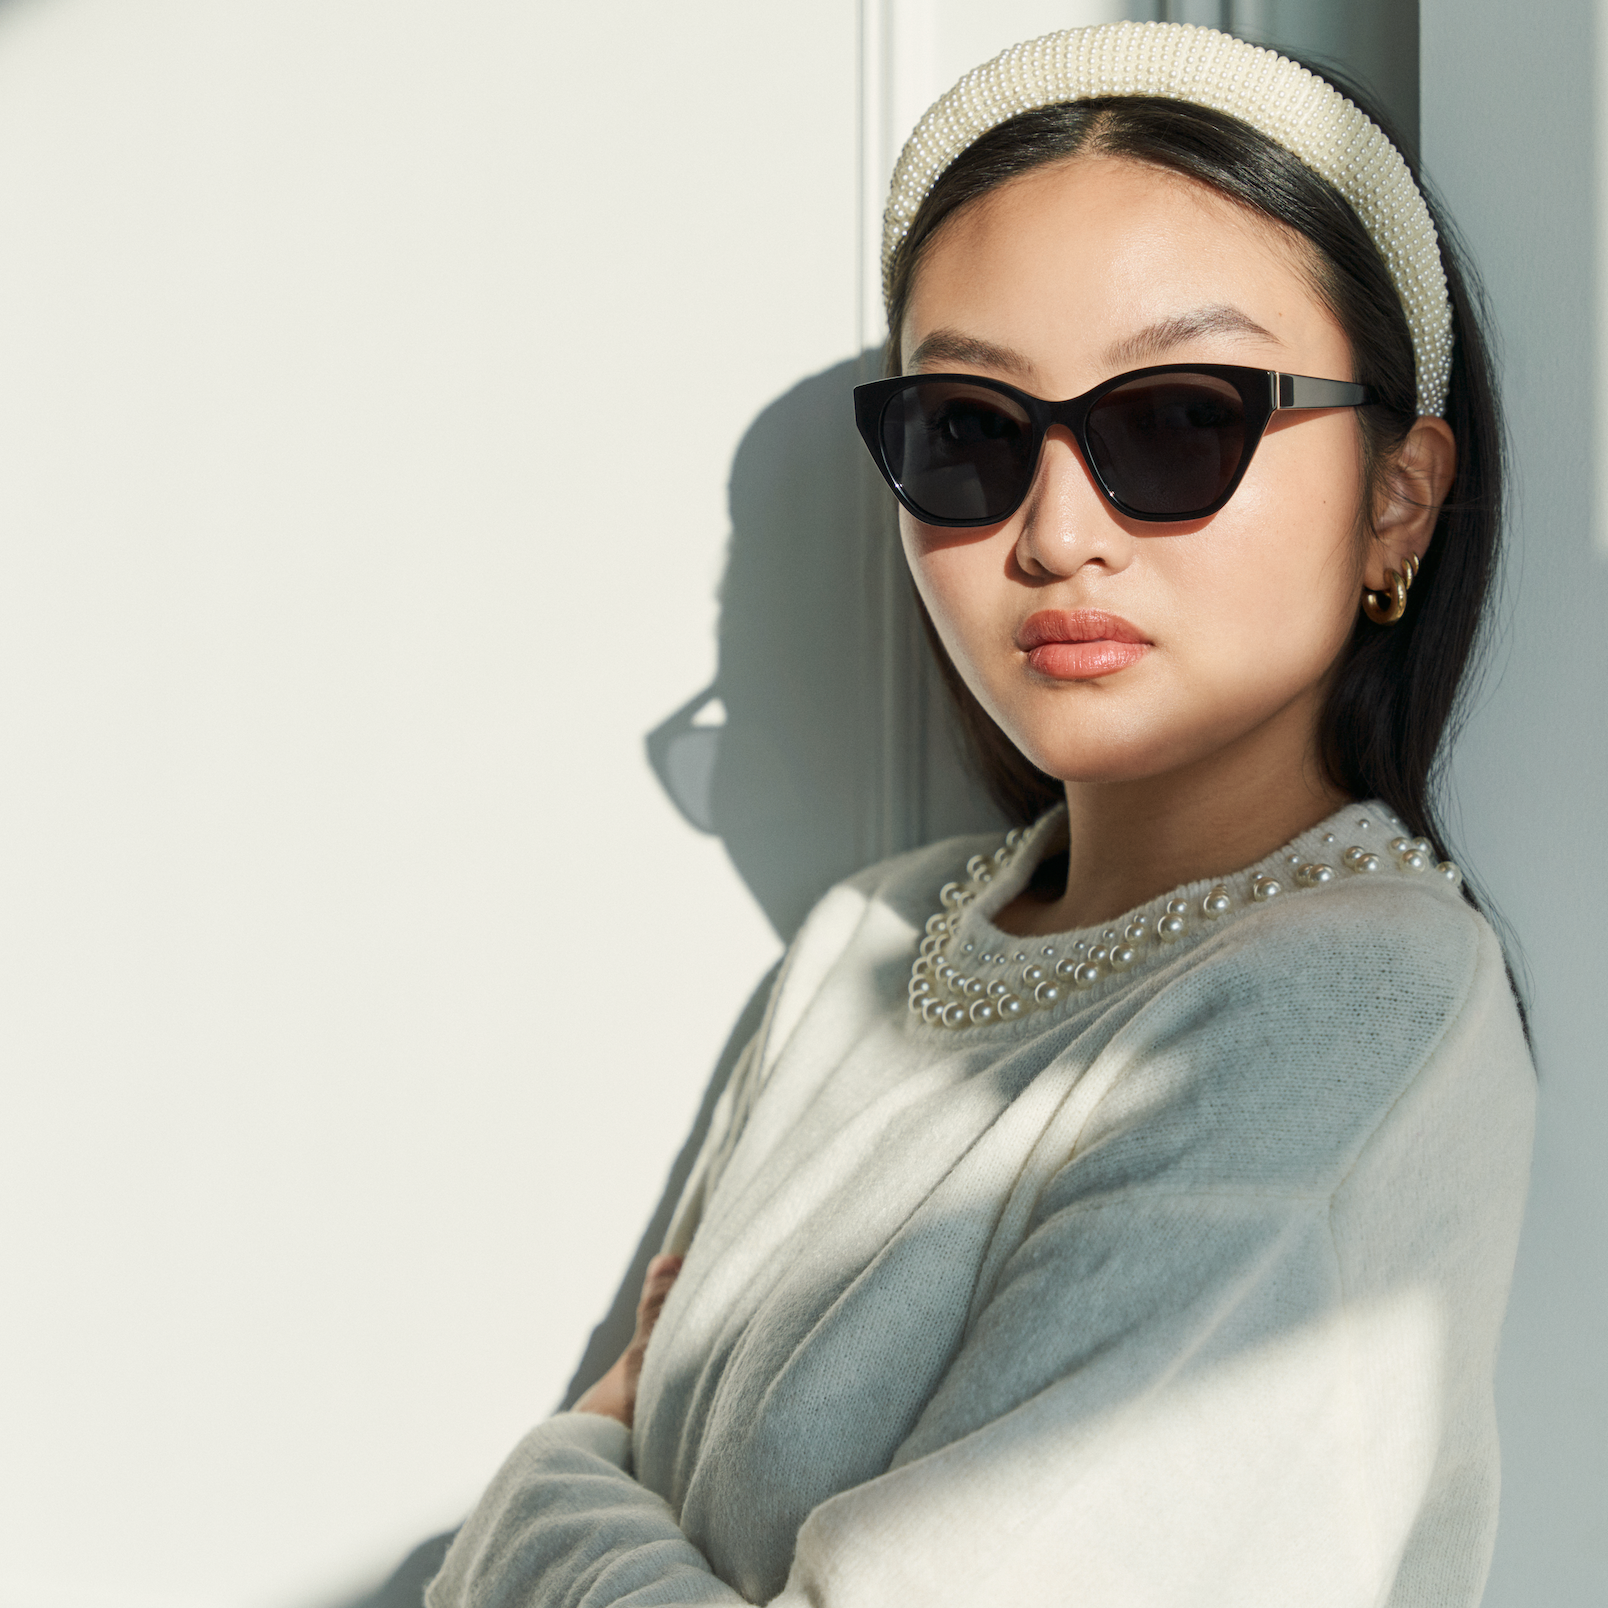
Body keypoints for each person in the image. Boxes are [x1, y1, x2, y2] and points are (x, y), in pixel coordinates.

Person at [426, 22, 1534, 1607]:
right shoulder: (870, 938)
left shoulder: (1356, 1001)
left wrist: (547, 1484)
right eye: (970, 434)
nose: (1057, 533)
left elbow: (569, 1483)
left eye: (1179, 418)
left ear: (1397, 493)